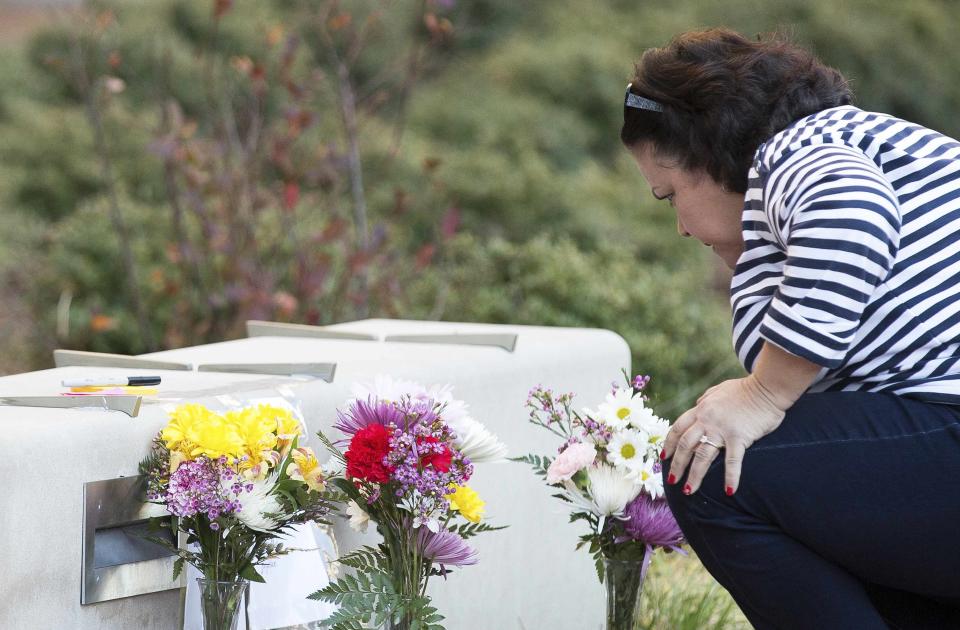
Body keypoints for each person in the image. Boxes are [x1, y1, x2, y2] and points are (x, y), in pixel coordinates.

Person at [621, 28, 960, 629]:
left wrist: (764, 393)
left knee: (708, 468)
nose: (678, 226)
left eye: (667, 194)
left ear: (708, 151)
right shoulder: (852, 144)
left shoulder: (799, 149)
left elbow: (853, 213)